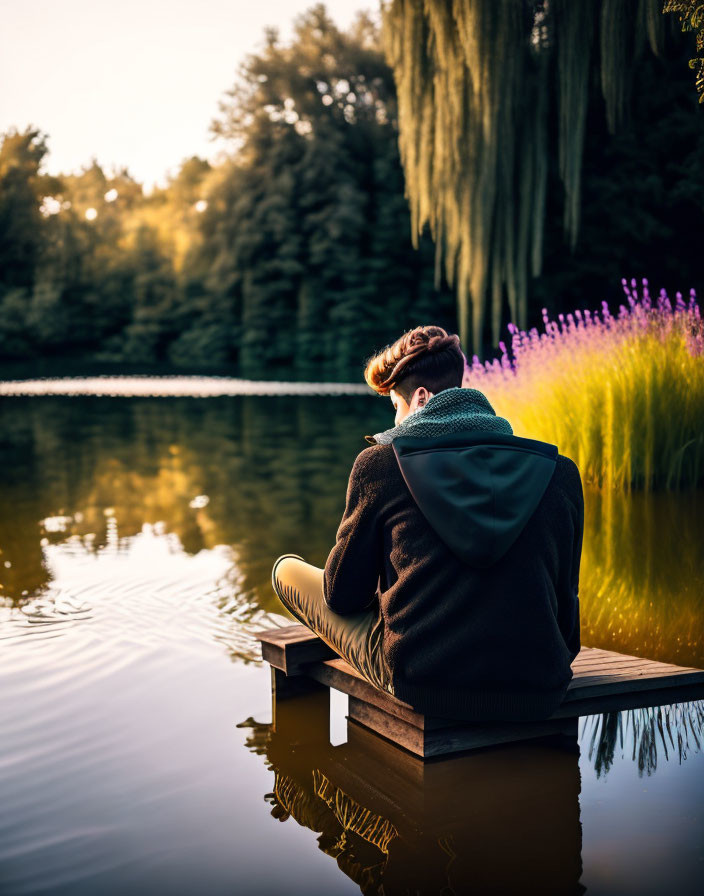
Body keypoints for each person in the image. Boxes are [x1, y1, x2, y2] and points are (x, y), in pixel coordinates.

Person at [271, 325, 584, 722]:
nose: (396, 422)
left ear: (420, 399)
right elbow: (567, 620)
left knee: (286, 570)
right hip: (540, 688)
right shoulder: (559, 473)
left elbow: (341, 596)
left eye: (396, 408)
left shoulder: (380, 465)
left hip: (424, 682)